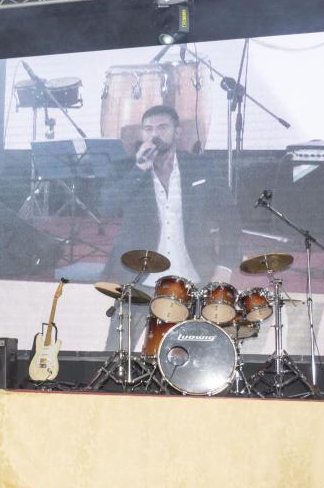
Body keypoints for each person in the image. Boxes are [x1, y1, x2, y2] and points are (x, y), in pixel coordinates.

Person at [100, 105, 242, 350]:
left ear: (177, 132)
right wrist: (139, 170)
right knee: (116, 354)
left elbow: (230, 219)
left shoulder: (201, 167)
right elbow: (106, 207)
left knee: (192, 353)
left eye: (162, 127)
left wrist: (224, 267)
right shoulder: (125, 168)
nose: (154, 134)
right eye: (148, 129)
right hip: (139, 279)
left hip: (195, 277)